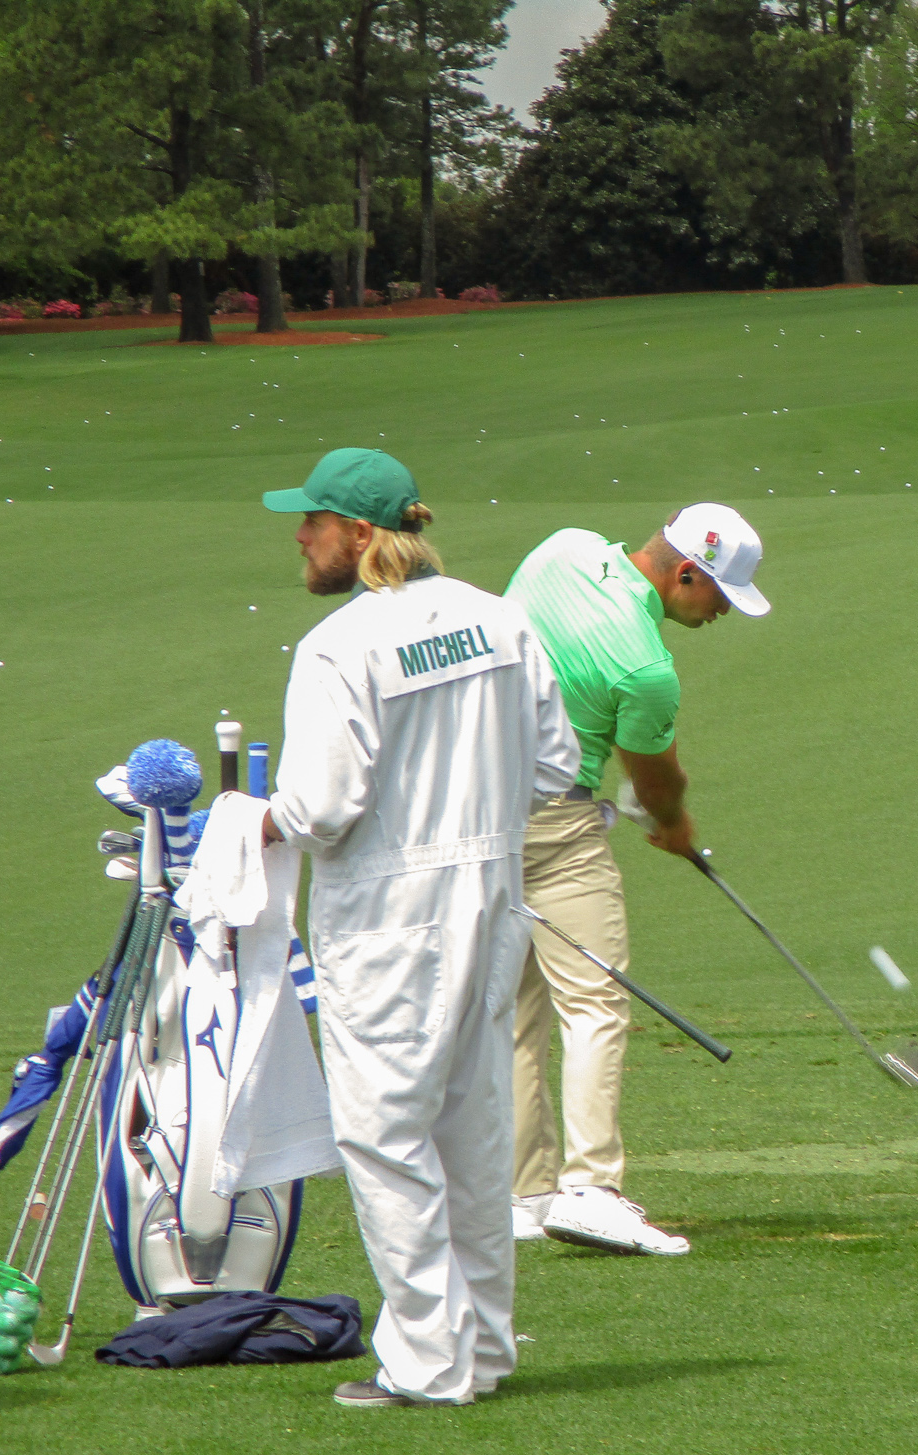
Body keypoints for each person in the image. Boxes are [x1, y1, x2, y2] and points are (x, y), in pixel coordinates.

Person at [260, 448, 580, 1404]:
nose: (300, 535)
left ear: (361, 535)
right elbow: (555, 768)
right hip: (491, 898)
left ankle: (428, 1364)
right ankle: (478, 1349)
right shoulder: (502, 617)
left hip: (390, 915)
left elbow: (320, 808)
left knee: (387, 1138)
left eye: (314, 520)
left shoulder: (339, 645)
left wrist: (246, 822)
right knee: (472, 1135)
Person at [502, 504, 770, 1255]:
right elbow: (655, 783)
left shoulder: (560, 547)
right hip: (558, 825)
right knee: (593, 1003)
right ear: (688, 573)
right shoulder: (648, 669)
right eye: (720, 596)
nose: (720, 612)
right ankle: (590, 1189)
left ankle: (524, 1197)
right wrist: (676, 826)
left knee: (517, 1011)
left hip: (476, 816)